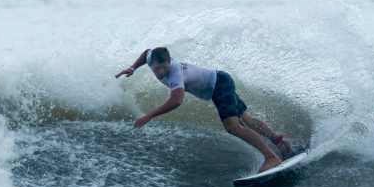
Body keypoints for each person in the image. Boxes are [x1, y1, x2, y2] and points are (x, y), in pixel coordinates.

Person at [115, 47, 293, 173]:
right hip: (221, 80)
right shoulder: (151, 58)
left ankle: (271, 157)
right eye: (157, 68)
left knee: (233, 126)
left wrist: (149, 116)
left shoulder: (175, 72)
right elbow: (147, 52)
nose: (161, 71)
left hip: (219, 85)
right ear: (151, 64)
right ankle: (281, 143)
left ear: (169, 62)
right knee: (247, 119)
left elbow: (176, 101)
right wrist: (133, 67)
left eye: (164, 67)